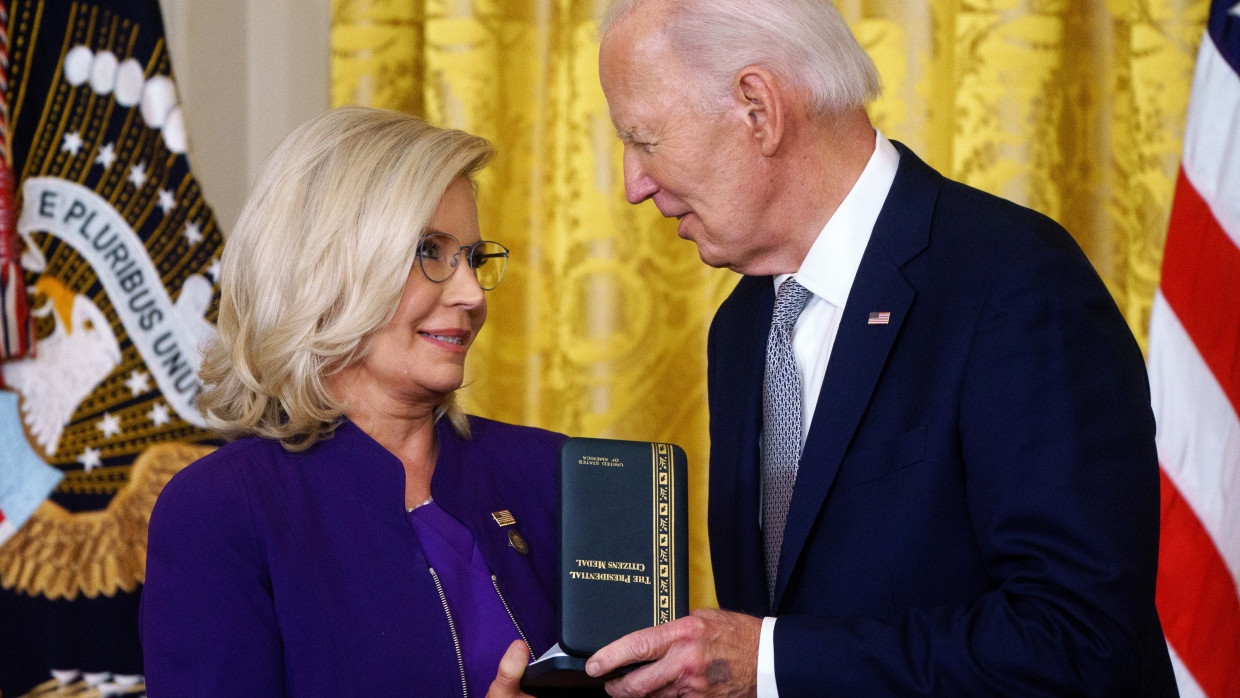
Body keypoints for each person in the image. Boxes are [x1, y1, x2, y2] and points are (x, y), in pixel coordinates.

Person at [588, 1, 1178, 696]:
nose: (633, 185)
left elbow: (1080, 642)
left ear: (758, 108)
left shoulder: (1015, 283)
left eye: (645, 140)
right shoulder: (743, 327)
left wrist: (771, 664)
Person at [140, 107, 557, 696]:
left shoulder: (555, 473)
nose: (470, 294)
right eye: (430, 253)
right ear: (326, 269)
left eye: (474, 258)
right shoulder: (221, 510)